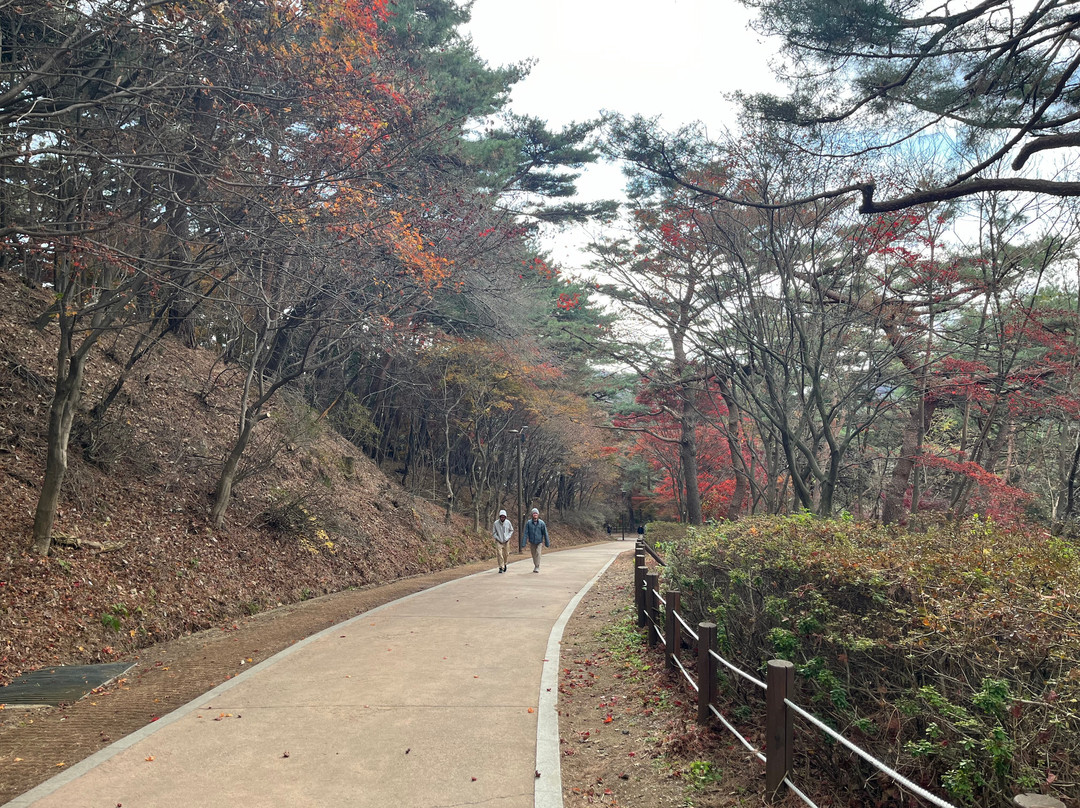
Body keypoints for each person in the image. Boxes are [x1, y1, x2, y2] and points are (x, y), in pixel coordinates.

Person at [520, 507, 549, 573]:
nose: (535, 514)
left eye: (536, 513)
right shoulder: (529, 523)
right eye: (534, 513)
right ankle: (535, 565)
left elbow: (545, 533)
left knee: (538, 553)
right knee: (533, 554)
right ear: (532, 515)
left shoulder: (542, 523)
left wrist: (547, 542)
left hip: (539, 541)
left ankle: (537, 566)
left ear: (538, 515)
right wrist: (523, 543)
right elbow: (525, 533)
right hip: (532, 541)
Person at [492, 509, 513, 573]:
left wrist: (508, 537)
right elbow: (494, 532)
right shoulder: (496, 523)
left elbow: (511, 530)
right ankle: (501, 567)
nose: (502, 518)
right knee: (499, 554)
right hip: (499, 541)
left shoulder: (508, 522)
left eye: (504, 517)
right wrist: (497, 538)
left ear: (505, 517)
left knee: (506, 554)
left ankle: (505, 563)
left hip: (506, 541)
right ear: (499, 517)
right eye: (501, 517)